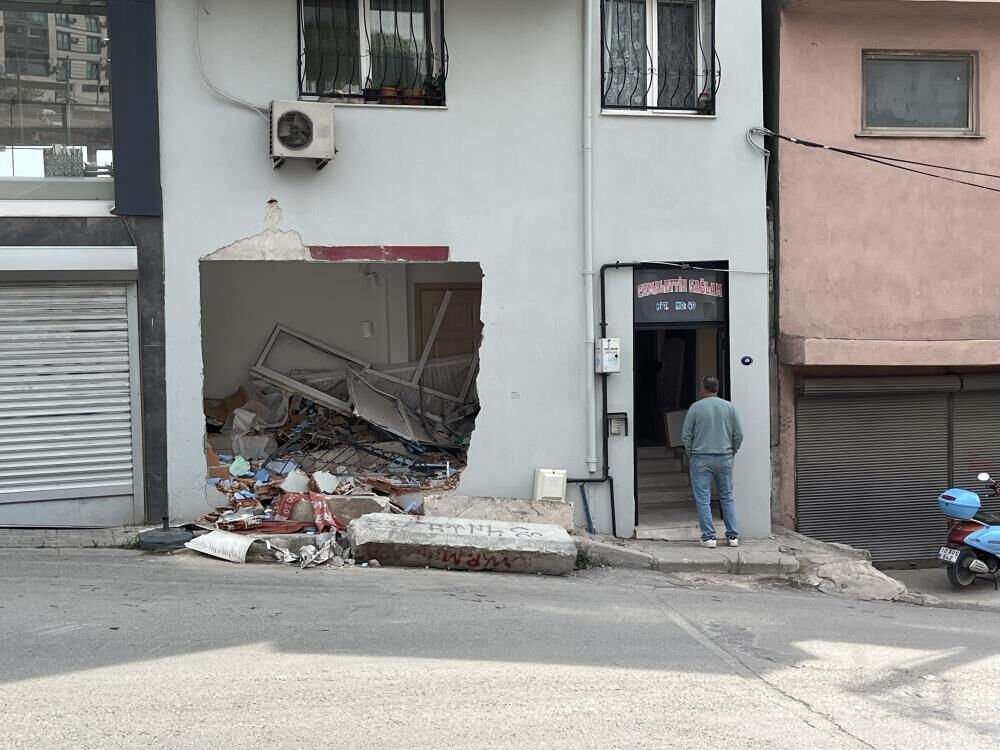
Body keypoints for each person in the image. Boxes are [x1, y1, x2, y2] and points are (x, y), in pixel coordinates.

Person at [681, 376, 743, 549]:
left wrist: (691, 452)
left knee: (703, 499)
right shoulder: (729, 407)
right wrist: (733, 450)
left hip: (701, 457)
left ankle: (709, 537)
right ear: (717, 388)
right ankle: (732, 536)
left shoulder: (695, 408)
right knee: (727, 496)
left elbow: (686, 435)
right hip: (725, 457)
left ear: (703, 389)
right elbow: (739, 434)